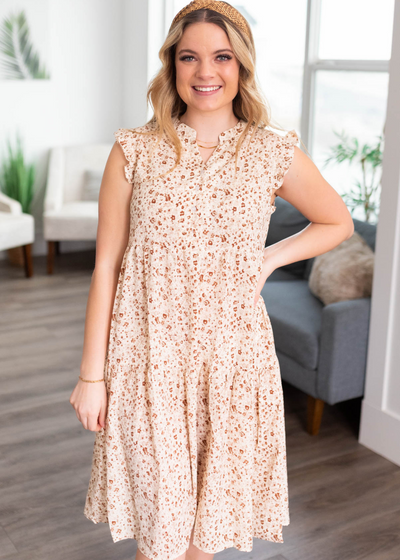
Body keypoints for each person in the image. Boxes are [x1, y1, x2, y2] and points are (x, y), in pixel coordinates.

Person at [69, 1, 354, 559]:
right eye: (189, 56)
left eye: (222, 57)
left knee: (206, 534)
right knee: (159, 534)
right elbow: (106, 265)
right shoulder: (135, 150)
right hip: (147, 361)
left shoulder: (272, 152)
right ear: (172, 65)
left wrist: (270, 259)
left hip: (233, 362)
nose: (206, 72)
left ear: (241, 66)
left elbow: (335, 220)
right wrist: (91, 376)